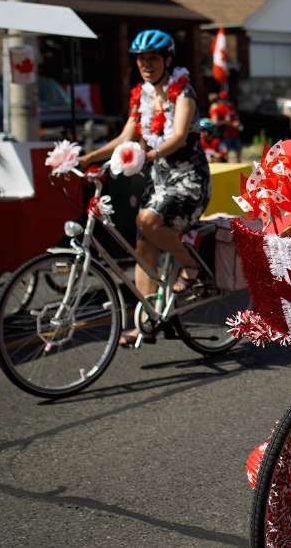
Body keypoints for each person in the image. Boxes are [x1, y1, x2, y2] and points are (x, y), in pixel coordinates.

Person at [79, 29, 211, 345]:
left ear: (167, 60)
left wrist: (148, 154)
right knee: (143, 247)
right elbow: (125, 137)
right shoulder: (142, 96)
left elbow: (178, 135)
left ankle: (192, 268)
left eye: (152, 58)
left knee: (147, 221)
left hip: (189, 180)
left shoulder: (184, 93)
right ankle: (147, 321)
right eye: (141, 59)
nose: (146, 65)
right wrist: (88, 157)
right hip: (160, 181)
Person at [209, 89, 242, 162]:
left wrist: (237, 123)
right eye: (224, 98)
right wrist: (228, 123)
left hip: (234, 134)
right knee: (225, 154)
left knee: (238, 154)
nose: (226, 100)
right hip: (224, 136)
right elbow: (215, 122)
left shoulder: (230, 107)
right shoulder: (217, 108)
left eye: (227, 98)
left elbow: (235, 118)